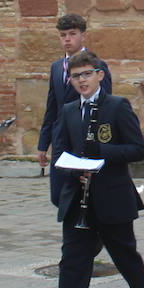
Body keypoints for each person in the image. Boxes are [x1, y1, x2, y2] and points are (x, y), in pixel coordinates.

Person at [42, 50, 144, 288]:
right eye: (76, 76)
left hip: (112, 196)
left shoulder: (116, 106)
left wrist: (101, 153)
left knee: (125, 257)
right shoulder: (68, 111)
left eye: (87, 74)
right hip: (78, 199)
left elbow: (137, 150)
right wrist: (72, 171)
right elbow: (62, 152)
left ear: (99, 75)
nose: (81, 80)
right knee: (72, 265)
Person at [37, 13, 111, 170]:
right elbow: (52, 106)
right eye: (63, 35)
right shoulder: (56, 67)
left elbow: (105, 103)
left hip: (84, 137)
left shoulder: (96, 65)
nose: (67, 39)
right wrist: (44, 143)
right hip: (59, 139)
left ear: (82, 35)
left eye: (72, 34)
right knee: (58, 191)